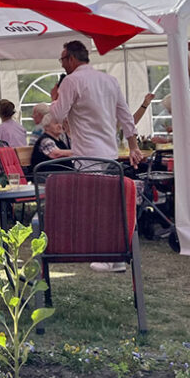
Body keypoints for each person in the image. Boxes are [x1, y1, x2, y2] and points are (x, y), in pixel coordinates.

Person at [48, 40, 142, 274]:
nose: (62, 65)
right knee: (110, 203)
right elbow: (126, 115)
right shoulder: (109, 80)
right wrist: (133, 146)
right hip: (110, 151)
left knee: (96, 205)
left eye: (62, 60)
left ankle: (106, 256)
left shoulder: (72, 81)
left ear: (70, 58)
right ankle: (117, 256)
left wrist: (55, 98)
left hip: (88, 152)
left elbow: (57, 115)